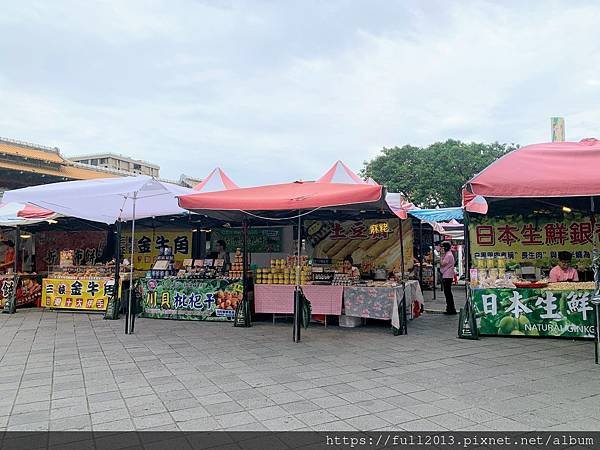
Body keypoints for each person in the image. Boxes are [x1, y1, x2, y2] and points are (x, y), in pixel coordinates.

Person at [440, 241, 456, 315]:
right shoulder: (449, 254)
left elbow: (442, 263)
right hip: (448, 275)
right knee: (448, 293)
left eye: (442, 247)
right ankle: (450, 308)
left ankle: (451, 309)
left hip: (447, 275)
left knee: (447, 293)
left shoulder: (448, 255)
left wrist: (441, 256)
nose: (441, 249)